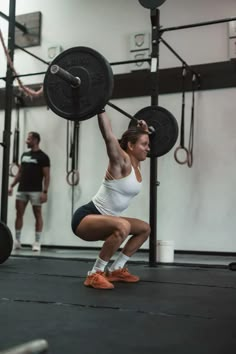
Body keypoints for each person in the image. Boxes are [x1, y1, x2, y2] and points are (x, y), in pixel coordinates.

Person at [71, 110, 151, 289]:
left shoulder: (137, 166)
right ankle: (95, 273)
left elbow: (139, 139)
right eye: (144, 144)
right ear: (130, 146)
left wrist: (143, 131)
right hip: (85, 218)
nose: (148, 148)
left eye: (148, 144)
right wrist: (100, 108)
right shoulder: (121, 162)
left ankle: (116, 269)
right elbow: (108, 136)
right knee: (123, 225)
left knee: (145, 229)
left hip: (109, 220)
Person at [8, 131, 50, 252]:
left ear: (36, 140)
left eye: (29, 139)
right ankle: (17, 241)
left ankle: (37, 242)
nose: (27, 141)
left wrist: (45, 191)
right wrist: (11, 185)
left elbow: (47, 176)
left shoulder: (43, 157)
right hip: (22, 190)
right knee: (19, 214)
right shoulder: (24, 155)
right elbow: (20, 173)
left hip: (36, 191)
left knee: (38, 215)